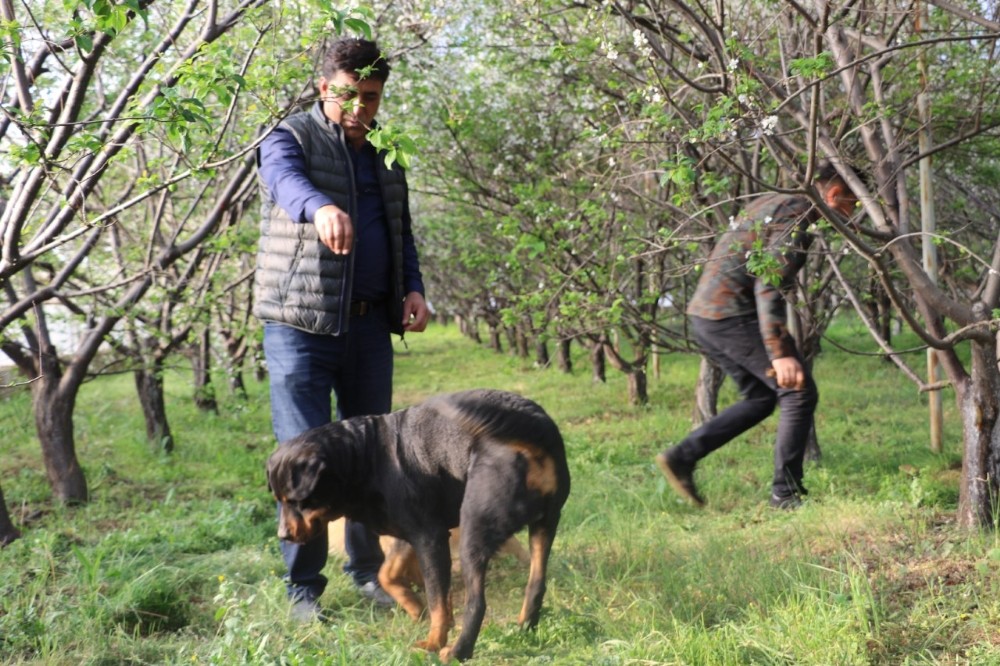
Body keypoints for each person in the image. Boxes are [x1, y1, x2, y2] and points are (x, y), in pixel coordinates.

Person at [254, 38, 430, 621]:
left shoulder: (387, 152)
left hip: (367, 329)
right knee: (303, 460)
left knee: (372, 457)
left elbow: (399, 232)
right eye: (347, 94)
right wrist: (319, 208)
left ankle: (365, 573)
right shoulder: (289, 138)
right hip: (299, 325)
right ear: (324, 84)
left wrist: (413, 288)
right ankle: (303, 589)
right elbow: (284, 182)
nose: (359, 108)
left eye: (371, 97)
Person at [657, 164, 858, 510]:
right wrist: (780, 352)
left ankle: (682, 457)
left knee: (762, 398)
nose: (851, 220)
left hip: (709, 315)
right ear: (834, 193)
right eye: (851, 207)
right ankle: (786, 495)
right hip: (730, 315)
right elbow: (769, 284)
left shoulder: (780, 202)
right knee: (798, 391)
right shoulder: (795, 216)